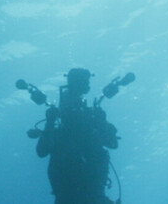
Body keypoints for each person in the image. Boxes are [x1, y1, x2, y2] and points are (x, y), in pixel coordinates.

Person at [27, 68, 122, 204]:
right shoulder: (65, 127)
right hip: (82, 196)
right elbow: (41, 151)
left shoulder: (88, 121)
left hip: (86, 195)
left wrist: (101, 122)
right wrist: (50, 122)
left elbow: (112, 143)